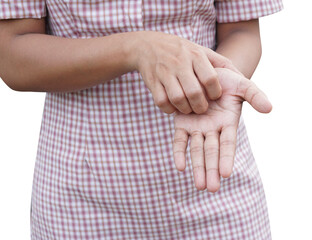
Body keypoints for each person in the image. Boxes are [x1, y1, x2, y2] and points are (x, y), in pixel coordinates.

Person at [0, 0, 283, 239]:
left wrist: (215, 82)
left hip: (215, 178)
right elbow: (13, 56)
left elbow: (241, 30)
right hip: (82, 200)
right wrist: (135, 48)